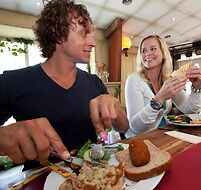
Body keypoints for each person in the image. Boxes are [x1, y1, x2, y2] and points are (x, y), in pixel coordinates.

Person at [0, 0, 128, 164]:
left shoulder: (94, 82)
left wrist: (115, 105)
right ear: (58, 35)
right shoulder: (11, 82)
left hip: (92, 175)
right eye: (83, 33)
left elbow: (124, 127)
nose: (93, 42)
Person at [124, 35, 201, 138]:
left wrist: (196, 88)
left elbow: (189, 109)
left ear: (163, 54)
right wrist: (159, 99)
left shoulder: (167, 79)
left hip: (164, 135)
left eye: (153, 49)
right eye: (143, 51)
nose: (147, 53)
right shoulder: (134, 80)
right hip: (140, 140)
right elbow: (136, 127)